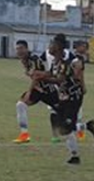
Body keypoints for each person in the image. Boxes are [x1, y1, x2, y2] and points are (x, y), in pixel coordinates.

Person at [31, 35, 85, 164]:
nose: (49, 46)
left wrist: (41, 78)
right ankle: (85, 129)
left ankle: (75, 156)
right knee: (63, 127)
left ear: (58, 46)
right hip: (63, 97)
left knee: (65, 127)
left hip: (73, 98)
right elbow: (51, 73)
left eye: (52, 44)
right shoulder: (56, 61)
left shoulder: (66, 61)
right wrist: (38, 74)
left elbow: (59, 79)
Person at [13, 39, 53, 144]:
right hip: (38, 90)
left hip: (49, 90)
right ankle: (24, 134)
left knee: (63, 118)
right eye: (17, 49)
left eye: (21, 48)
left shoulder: (33, 59)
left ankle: (84, 126)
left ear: (27, 49)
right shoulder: (24, 60)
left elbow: (36, 77)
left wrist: (30, 92)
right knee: (20, 105)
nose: (19, 51)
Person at [71, 40, 94, 141]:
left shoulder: (77, 58)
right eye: (84, 46)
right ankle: (84, 128)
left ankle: (81, 131)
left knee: (76, 111)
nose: (86, 48)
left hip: (74, 87)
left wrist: (82, 86)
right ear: (78, 47)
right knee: (76, 111)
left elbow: (80, 74)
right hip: (74, 86)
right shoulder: (77, 58)